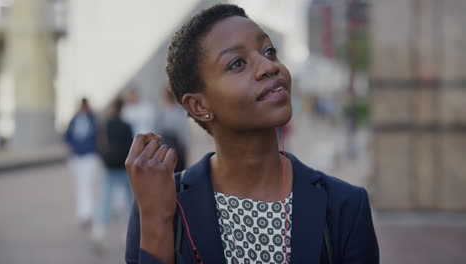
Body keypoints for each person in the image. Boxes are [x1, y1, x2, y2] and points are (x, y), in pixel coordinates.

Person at [125, 4, 378, 264]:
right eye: (237, 63)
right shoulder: (162, 202)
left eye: (269, 51)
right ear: (199, 106)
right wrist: (157, 221)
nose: (268, 66)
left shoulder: (344, 206)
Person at [93, 96, 134, 248]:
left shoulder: (106, 124)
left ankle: (99, 232)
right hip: (123, 167)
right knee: (129, 201)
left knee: (106, 200)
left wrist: (104, 160)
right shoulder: (127, 125)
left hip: (109, 166)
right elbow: (132, 147)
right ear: (123, 108)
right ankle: (127, 234)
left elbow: (100, 144)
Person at [64, 97, 99, 228]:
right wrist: (71, 146)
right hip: (77, 157)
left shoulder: (92, 118)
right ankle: (83, 213)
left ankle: (88, 212)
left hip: (90, 155)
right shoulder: (75, 119)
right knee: (80, 185)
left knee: (89, 184)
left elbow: (98, 135)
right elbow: (67, 135)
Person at [154, 87, 190, 172]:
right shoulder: (178, 112)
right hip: (175, 149)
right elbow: (183, 133)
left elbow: (156, 131)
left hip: (165, 148)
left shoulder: (161, 112)